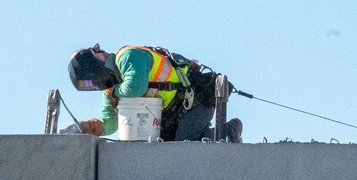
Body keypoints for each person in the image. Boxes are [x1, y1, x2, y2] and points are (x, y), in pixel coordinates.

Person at [67, 44, 242, 142]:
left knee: (187, 144)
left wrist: (116, 92)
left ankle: (230, 129)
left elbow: (136, 86)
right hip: (168, 117)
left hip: (194, 101)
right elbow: (112, 123)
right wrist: (90, 127)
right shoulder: (111, 90)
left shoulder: (127, 56)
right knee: (163, 151)